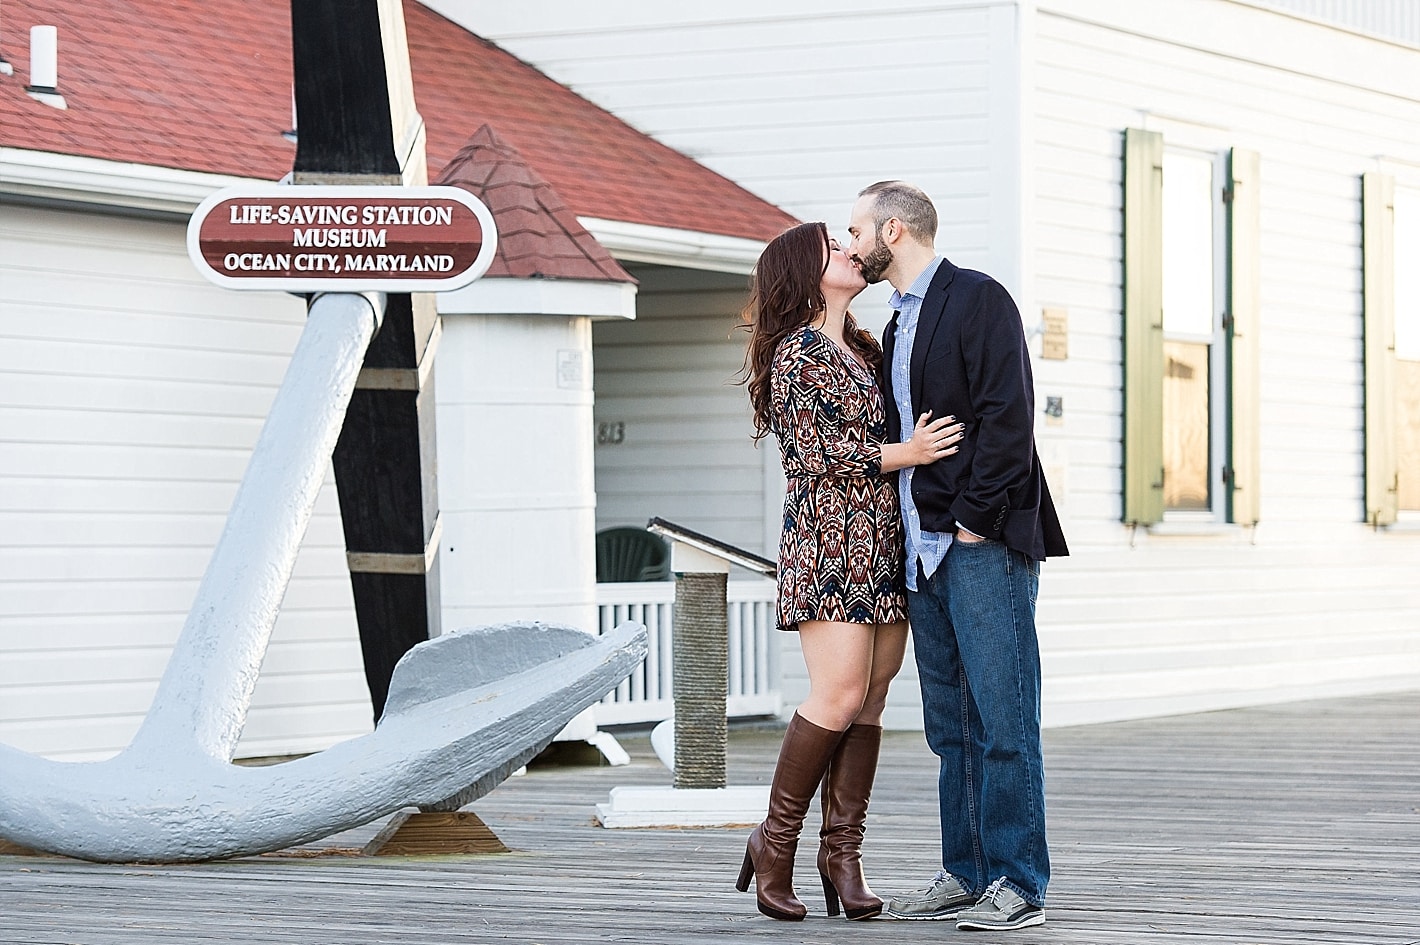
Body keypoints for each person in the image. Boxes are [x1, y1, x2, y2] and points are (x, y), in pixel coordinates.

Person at [845, 181, 1069, 932]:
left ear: (896, 231)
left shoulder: (979, 299)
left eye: (857, 229)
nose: (851, 244)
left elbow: (1009, 416)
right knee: (952, 725)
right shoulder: (896, 323)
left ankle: (1019, 882)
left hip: (981, 547)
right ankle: (966, 871)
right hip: (920, 553)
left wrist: (974, 521)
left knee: (1005, 718)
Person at [735, 221, 963, 922]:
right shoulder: (796, 353)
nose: (850, 252)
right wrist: (910, 452)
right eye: (835, 247)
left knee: (869, 701)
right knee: (834, 696)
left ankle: (843, 854)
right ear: (805, 271)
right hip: (829, 544)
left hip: (882, 544)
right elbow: (817, 456)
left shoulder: (865, 345)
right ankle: (774, 843)